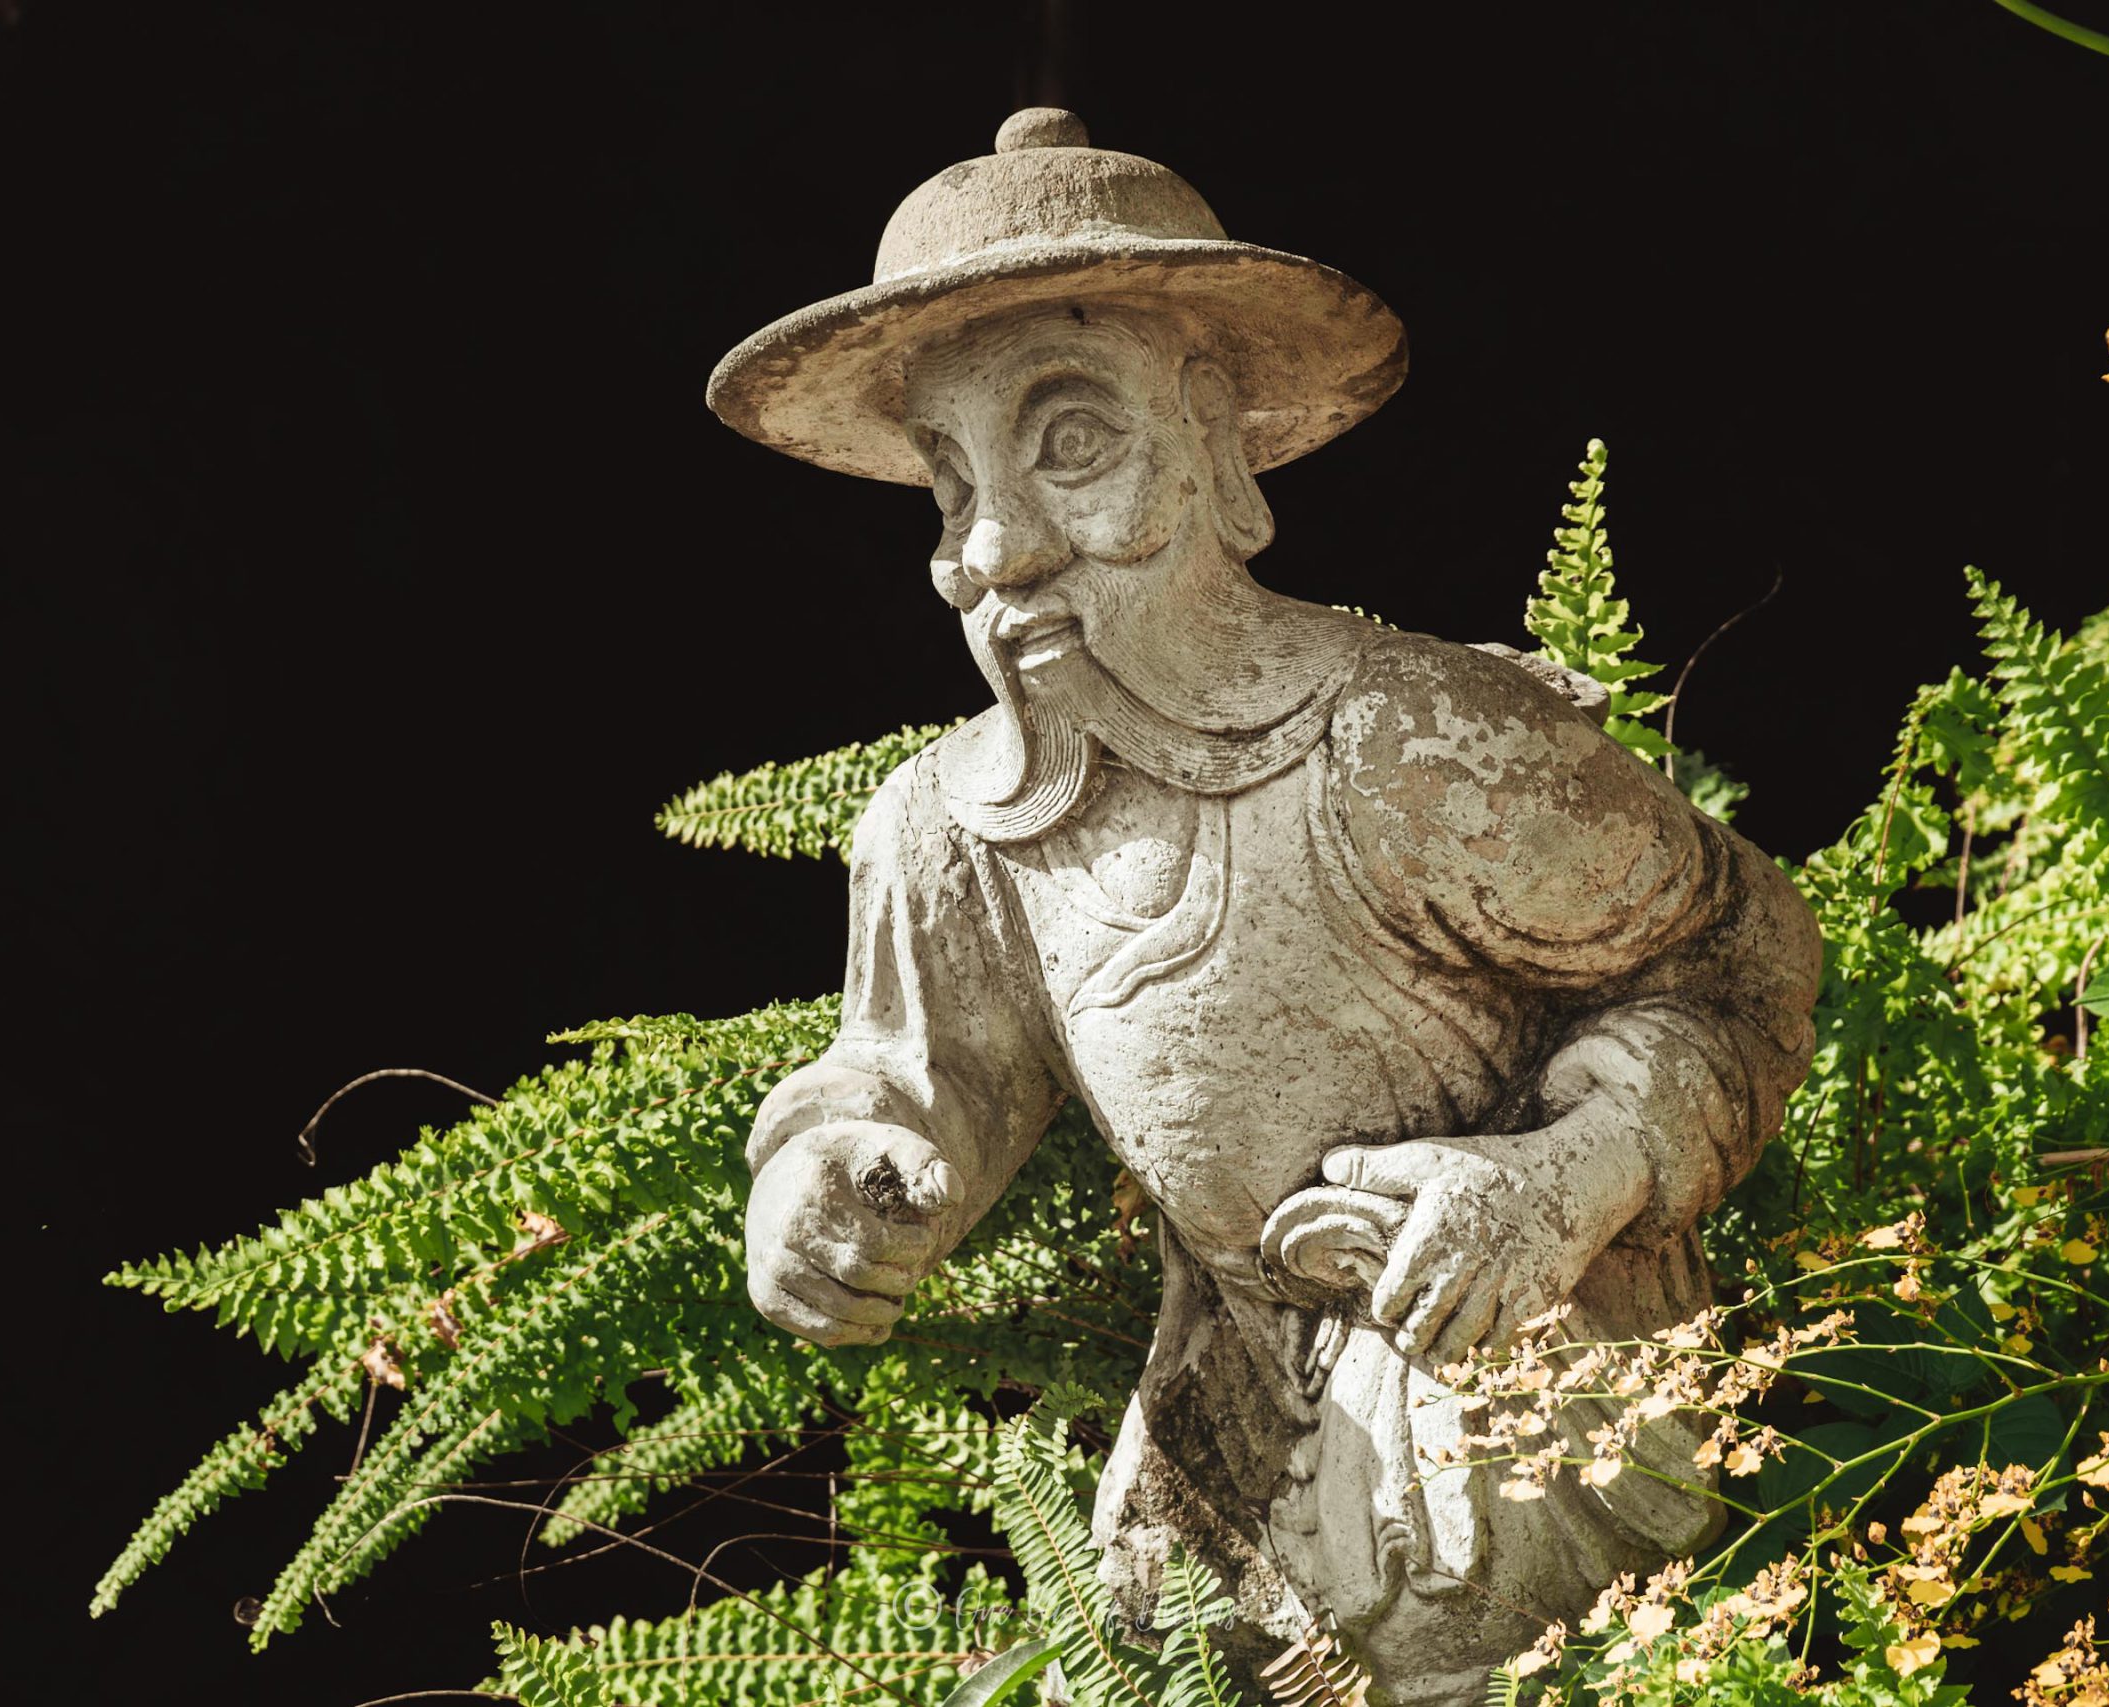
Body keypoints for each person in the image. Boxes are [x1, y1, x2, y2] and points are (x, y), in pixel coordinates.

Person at [707, 107, 1821, 1702]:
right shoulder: (948, 830)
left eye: (1072, 443)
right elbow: (922, 1078)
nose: (992, 551)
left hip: (1514, 1370)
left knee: (1477, 1638)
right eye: (953, 485)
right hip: (1221, 1399)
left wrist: (1570, 1174)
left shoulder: (1414, 749)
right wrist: (827, 1177)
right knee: (1154, 1660)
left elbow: (1745, 959)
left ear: (1217, 442)